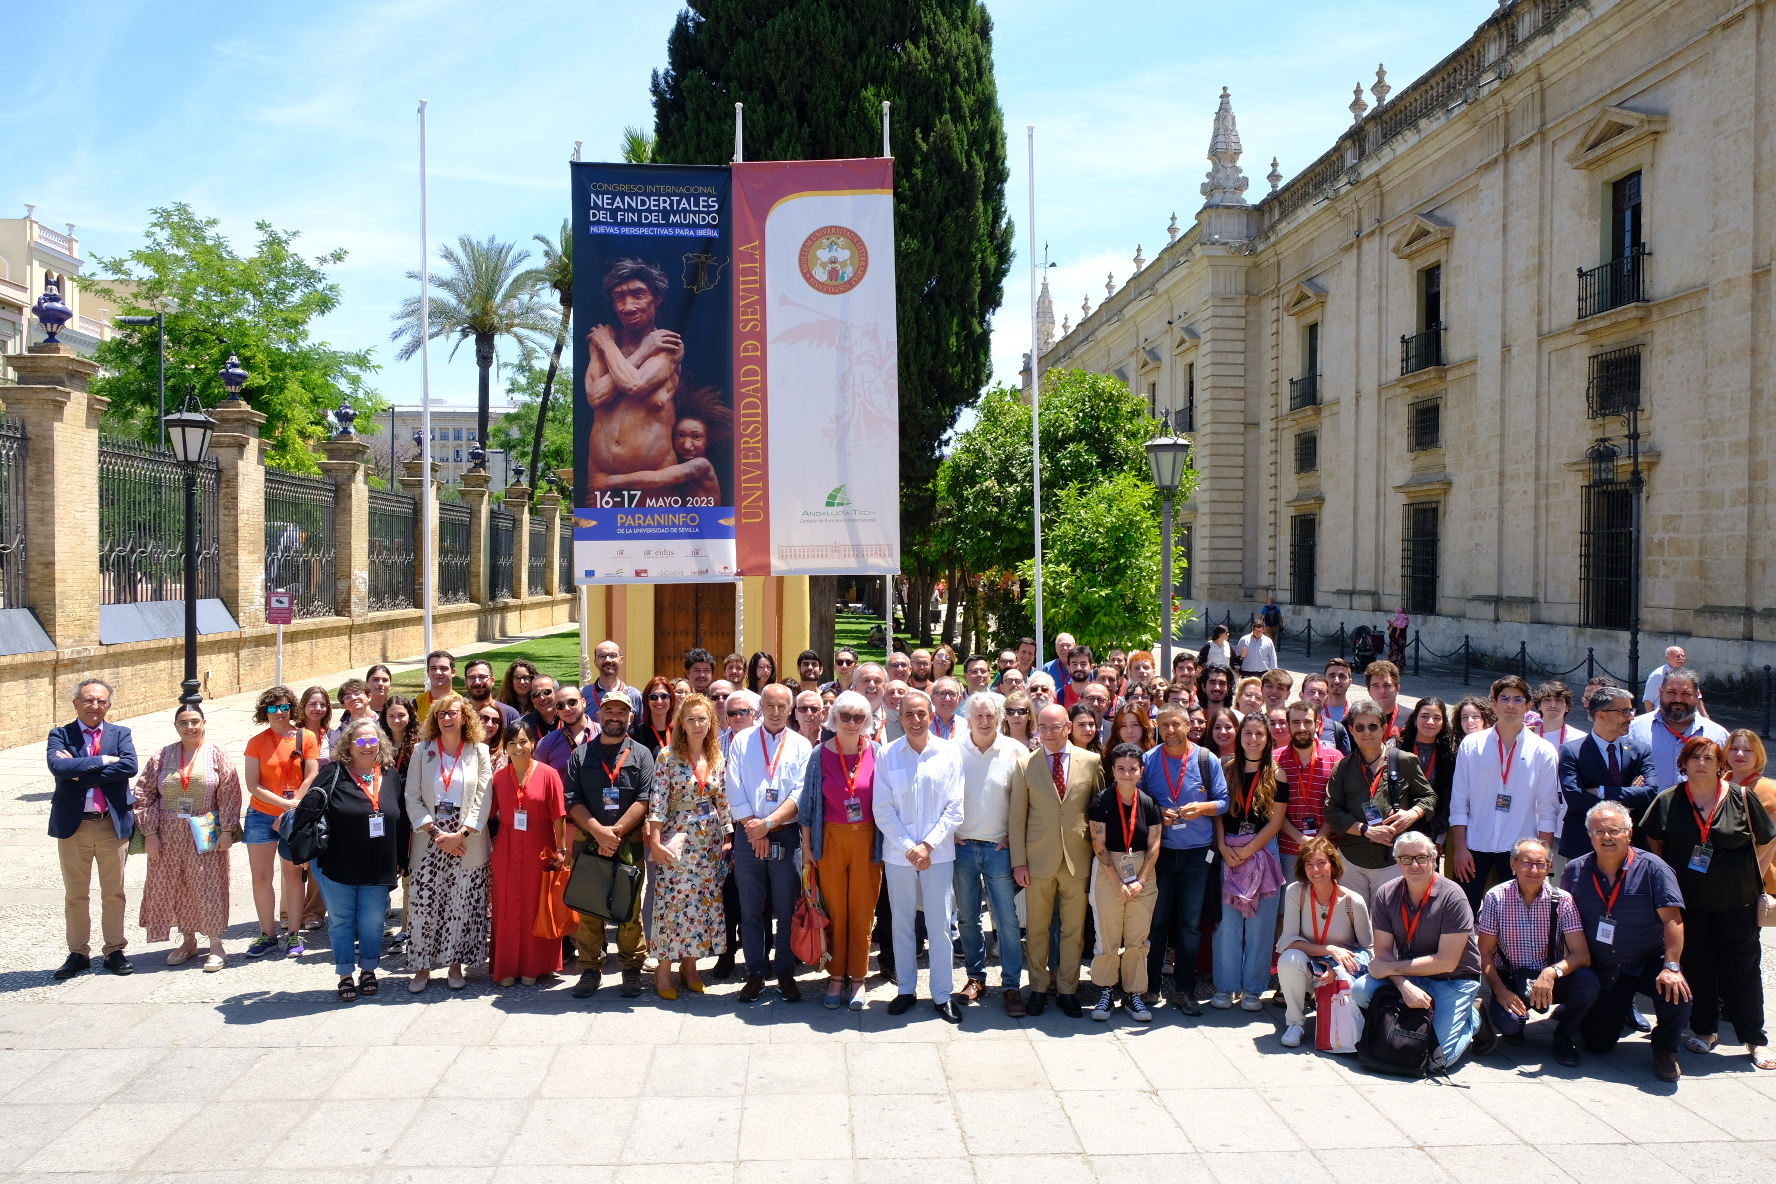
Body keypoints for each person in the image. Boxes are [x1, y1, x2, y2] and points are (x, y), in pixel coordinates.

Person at [1640, 736, 1776, 1069]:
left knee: (1741, 970)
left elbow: (1767, 839)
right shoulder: (1668, 800)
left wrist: (1751, 875)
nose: (1702, 763)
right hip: (1690, 904)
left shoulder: (1741, 797)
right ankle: (1704, 1031)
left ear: (1721, 765)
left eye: (1709, 758)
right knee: (1699, 967)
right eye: (1694, 757)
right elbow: (1654, 841)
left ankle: (1754, 1039)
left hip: (1737, 902)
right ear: (1683, 764)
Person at [1558, 800, 1691, 1082]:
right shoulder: (1575, 871)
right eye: (1598, 831)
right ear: (1589, 835)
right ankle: (1605, 1012)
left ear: (1629, 834)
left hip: (1646, 960)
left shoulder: (1655, 868)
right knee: (1598, 1044)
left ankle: (1665, 1048)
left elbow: (1673, 920)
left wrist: (1672, 966)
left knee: (1678, 994)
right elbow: (1564, 921)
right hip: (1602, 966)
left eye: (1614, 831)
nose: (1606, 837)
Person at [1350, 831, 1485, 1068]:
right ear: (1396, 861)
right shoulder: (1386, 893)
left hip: (1453, 979)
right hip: (1411, 976)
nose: (1414, 865)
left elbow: (1447, 962)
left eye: (1421, 858)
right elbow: (1382, 952)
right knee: (1361, 990)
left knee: (1437, 1061)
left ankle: (1472, 1018)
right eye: (1406, 858)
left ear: (1434, 860)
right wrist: (1404, 985)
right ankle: (1397, 1027)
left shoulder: (1454, 897)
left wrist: (1388, 968)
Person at [876, 690, 967, 1022]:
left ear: (931, 717)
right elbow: (882, 809)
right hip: (900, 856)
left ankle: (942, 993)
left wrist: (927, 845)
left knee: (940, 925)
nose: (916, 720)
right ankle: (906, 989)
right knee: (901, 924)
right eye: (909, 714)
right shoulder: (887, 755)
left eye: (921, 714)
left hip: (938, 854)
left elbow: (955, 808)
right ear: (900, 718)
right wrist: (909, 847)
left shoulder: (948, 753)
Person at [303, 717, 407, 1001]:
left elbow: (401, 819)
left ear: (380, 744)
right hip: (338, 863)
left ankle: (369, 969)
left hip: (378, 864)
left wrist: (401, 858)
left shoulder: (390, 775)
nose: (366, 746)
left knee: (374, 921)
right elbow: (308, 811)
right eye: (360, 740)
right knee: (341, 921)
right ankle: (345, 974)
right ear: (348, 744)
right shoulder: (333, 773)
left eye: (372, 740)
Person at [1011, 703, 1104, 1018]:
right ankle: (1038, 988)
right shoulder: (1025, 765)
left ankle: (1067, 989)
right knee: (1037, 927)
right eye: (1044, 727)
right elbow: (1017, 817)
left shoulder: (1091, 762)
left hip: (1077, 857)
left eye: (1056, 726)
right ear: (1038, 729)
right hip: (1038, 860)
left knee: (1073, 930)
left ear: (1068, 727)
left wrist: (1100, 857)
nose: (1050, 733)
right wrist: (1019, 862)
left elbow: (1099, 811)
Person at [45, 678, 140, 980]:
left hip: (111, 825)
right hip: (75, 827)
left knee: (114, 892)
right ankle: (78, 953)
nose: (94, 706)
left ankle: (114, 950)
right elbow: (58, 768)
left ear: (109, 705)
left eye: (100, 701)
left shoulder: (120, 733)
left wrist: (82, 772)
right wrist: (101, 761)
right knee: (76, 894)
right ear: (75, 703)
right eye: (87, 700)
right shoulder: (60, 735)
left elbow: (129, 767)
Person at [133, 703, 238, 973]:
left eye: (194, 721)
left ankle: (216, 944)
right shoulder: (162, 756)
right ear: (176, 727)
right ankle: (188, 940)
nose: (190, 727)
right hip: (168, 831)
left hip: (204, 828)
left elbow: (230, 792)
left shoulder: (217, 754)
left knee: (208, 885)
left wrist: (227, 831)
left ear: (204, 723)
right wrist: (149, 833)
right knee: (176, 886)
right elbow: (143, 793)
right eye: (184, 723)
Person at [1476, 837, 1598, 1065]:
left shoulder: (1562, 900)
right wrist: (1500, 990)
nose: (1533, 870)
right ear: (1513, 864)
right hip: (1511, 978)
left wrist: (1551, 973)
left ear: (1549, 867)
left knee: (1588, 982)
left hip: (1547, 978)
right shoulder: (1496, 897)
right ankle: (1510, 1023)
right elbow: (1484, 952)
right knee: (1510, 1023)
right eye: (1526, 862)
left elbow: (1581, 955)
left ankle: (1564, 1036)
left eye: (1540, 864)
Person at [1138, 704, 1228, 1015]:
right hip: (1160, 853)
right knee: (1157, 921)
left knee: (1190, 925)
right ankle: (1150, 987)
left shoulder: (1206, 759)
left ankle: (1185, 989)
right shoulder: (1149, 760)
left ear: (1188, 725)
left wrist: (1201, 808)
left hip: (1197, 855)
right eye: (1164, 726)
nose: (1171, 730)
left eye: (1176, 724)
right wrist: (1156, 812)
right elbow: (1139, 800)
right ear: (1158, 728)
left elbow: (1224, 801)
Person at [564, 693, 655, 998]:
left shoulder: (641, 754)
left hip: (627, 843)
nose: (615, 716)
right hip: (589, 842)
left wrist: (613, 834)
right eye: (609, 711)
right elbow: (573, 800)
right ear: (599, 716)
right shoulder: (581, 755)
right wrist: (598, 833)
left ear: (630, 717)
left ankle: (631, 968)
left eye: (621, 711)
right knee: (589, 908)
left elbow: (645, 798)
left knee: (627, 907)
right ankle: (590, 968)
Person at [799, 690, 884, 1010]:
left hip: (866, 841)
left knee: (862, 912)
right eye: (845, 716)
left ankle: (859, 978)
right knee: (834, 911)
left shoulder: (878, 752)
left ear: (867, 721)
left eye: (858, 717)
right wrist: (807, 847)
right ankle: (836, 976)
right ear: (834, 719)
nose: (851, 722)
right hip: (830, 841)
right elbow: (807, 806)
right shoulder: (819, 754)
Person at [726, 684, 812, 1002]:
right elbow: (732, 784)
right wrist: (753, 827)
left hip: (785, 834)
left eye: (782, 706)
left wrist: (769, 824)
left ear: (790, 709)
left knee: (786, 908)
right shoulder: (742, 741)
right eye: (770, 706)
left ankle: (786, 972)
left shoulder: (802, 745)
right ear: (760, 707)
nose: (776, 711)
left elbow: (800, 792)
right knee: (751, 909)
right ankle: (755, 972)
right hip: (749, 835)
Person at [404, 692, 494, 993]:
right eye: (441, 714)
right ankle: (421, 968)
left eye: (452, 713)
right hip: (430, 838)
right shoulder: (422, 750)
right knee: (425, 906)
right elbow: (412, 797)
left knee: (462, 904)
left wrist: (462, 833)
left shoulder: (479, 751)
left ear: (464, 716)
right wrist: (437, 834)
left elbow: (484, 797)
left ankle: (456, 966)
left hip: (467, 840)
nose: (446, 718)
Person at [646, 692, 733, 999]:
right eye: (691, 719)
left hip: (708, 842)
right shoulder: (667, 757)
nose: (697, 725)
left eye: (702, 718)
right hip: (677, 838)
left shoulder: (717, 757)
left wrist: (728, 837)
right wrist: (655, 842)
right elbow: (657, 801)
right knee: (673, 904)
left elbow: (722, 799)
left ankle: (691, 966)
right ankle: (664, 969)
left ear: (711, 722)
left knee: (701, 904)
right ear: (681, 723)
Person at [1448, 676, 1560, 912]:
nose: (1511, 705)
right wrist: (1460, 847)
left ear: (1528, 706)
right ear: (1493, 703)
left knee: (1514, 917)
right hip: (1474, 844)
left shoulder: (1543, 750)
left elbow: (1548, 809)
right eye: (1505, 698)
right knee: (1463, 915)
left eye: (1518, 699)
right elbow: (1459, 802)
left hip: (1520, 849)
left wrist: (1543, 858)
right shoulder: (1471, 744)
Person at [952, 693, 1028, 1015]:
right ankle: (975, 977)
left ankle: (1011, 985)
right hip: (963, 847)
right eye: (979, 716)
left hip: (1000, 848)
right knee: (968, 918)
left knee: (1007, 921)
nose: (985, 721)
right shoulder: (953, 749)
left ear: (999, 718)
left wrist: (1015, 835)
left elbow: (1028, 800)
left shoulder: (1016, 751)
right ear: (968, 718)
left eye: (990, 716)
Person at [1325, 698, 1435, 905]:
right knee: (1354, 922)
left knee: (1386, 923)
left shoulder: (1404, 760)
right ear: (1352, 730)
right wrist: (1365, 830)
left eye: (1373, 726)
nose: (1367, 732)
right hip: (1352, 859)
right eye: (1360, 727)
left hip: (1392, 859)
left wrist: (1414, 813)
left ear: (1383, 727)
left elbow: (1429, 797)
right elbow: (1332, 812)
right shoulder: (1343, 767)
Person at [1213, 714, 1289, 1010]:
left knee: (1261, 924)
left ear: (1268, 739)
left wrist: (1250, 850)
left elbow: (1277, 820)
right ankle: (1225, 987)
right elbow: (1219, 813)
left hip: (1263, 849)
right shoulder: (1226, 768)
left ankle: (1254, 989)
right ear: (1240, 735)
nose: (1253, 739)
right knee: (1228, 923)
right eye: (1248, 732)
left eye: (1259, 734)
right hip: (1229, 848)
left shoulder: (1277, 774)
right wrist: (1222, 846)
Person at [486, 719, 569, 987]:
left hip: (540, 845)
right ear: (505, 747)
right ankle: (508, 966)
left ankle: (535, 965)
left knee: (536, 905)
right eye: (512, 743)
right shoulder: (498, 778)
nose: (518, 747)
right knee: (507, 907)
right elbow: (486, 812)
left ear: (533, 743)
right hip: (507, 848)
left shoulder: (548, 774)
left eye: (523, 742)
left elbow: (559, 815)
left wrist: (562, 849)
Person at [1086, 742, 1164, 1022]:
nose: (1127, 774)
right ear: (1113, 770)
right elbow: (1098, 843)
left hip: (1142, 870)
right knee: (1106, 937)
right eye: (1121, 768)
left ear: (1141, 771)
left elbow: (1154, 845)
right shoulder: (1101, 801)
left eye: (1133, 768)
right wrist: (1117, 881)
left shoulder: (1149, 803)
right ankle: (1106, 991)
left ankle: (1133, 994)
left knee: (1137, 939)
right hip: (1109, 873)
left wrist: (1141, 881)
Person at [241, 686, 321, 959]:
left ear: (292, 709)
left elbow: (311, 775)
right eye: (273, 708)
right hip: (261, 815)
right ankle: (267, 933)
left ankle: (294, 934)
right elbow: (252, 784)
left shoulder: (306, 736)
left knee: (293, 876)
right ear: (265, 712)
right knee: (261, 878)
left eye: (284, 707)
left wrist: (293, 806)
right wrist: (282, 805)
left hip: (294, 815)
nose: (279, 712)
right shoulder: (257, 742)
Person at [1275, 837, 1374, 1047]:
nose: (1315, 870)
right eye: (1309, 864)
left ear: (1333, 864)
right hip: (1309, 966)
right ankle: (1295, 1022)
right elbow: (1288, 941)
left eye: (1321, 863)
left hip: (1343, 970)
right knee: (1289, 959)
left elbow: (1369, 950)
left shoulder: (1352, 901)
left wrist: (1335, 967)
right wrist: (1327, 950)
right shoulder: (1296, 892)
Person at [1555, 684, 1655, 865]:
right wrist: (1629, 798)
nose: (1631, 717)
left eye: (1631, 710)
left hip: (1630, 845)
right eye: (1624, 711)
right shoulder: (1572, 751)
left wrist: (1602, 791)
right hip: (1584, 845)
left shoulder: (1640, 751)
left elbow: (1649, 793)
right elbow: (1576, 799)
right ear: (1601, 715)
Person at [1629, 667, 1728, 790]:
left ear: (1697, 695)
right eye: (1671, 692)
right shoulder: (1634, 730)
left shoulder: (1718, 735)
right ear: (1660, 691)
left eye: (1686, 694)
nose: (1678, 699)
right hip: (1648, 808)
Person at [1277, 700, 1340, 881]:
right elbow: (1273, 811)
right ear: (1288, 725)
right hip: (1288, 850)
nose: (1302, 727)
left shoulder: (1335, 759)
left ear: (1318, 723)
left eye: (1307, 722)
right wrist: (1301, 839)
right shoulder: (1274, 760)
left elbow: (1338, 805)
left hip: (1327, 850)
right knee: (1289, 907)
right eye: (1295, 722)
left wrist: (1319, 839)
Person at [1726, 729, 1776, 901]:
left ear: (1758, 756)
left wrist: (1750, 880)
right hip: (1720, 875)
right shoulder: (1718, 782)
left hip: (1752, 880)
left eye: (1748, 750)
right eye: (1734, 749)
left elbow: (1769, 842)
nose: (1740, 754)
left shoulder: (1766, 790)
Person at [1403, 697, 1457, 844]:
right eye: (1424, 716)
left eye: (1436, 718)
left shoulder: (1449, 755)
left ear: (1443, 722)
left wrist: (1439, 832)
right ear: (1415, 719)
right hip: (1401, 827)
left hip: (1432, 830)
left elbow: (1448, 797)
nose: (1430, 722)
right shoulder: (1398, 749)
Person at [536, 684, 592, 781]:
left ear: (583, 702)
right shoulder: (546, 743)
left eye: (572, 702)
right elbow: (538, 780)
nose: (566, 708)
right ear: (557, 710)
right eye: (560, 705)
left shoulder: (604, 734)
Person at [1298, 674, 1352, 753]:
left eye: (1321, 693)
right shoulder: (1288, 725)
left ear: (1327, 698)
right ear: (1301, 695)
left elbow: (1345, 763)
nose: (1316, 696)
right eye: (1311, 692)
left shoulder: (1337, 729)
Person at [463, 659, 519, 730]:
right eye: (471, 678)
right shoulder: (458, 713)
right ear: (466, 682)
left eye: (482, 677)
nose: (477, 682)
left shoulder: (510, 715)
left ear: (492, 681)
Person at [1532, 681, 1585, 749]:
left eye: (1559, 700)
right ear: (1539, 706)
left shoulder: (1579, 739)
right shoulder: (1527, 737)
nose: (1553, 705)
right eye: (1547, 700)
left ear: (1567, 707)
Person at [631, 676, 676, 757]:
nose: (659, 701)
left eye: (664, 696)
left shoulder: (681, 733)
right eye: (653, 697)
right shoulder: (635, 734)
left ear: (671, 699)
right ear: (647, 701)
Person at [1362, 661, 1407, 741]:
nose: (1382, 691)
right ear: (1369, 691)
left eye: (1387, 685)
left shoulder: (1412, 718)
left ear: (1397, 688)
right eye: (1376, 686)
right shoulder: (1357, 718)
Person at [1642, 645, 1688, 714]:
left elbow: (1697, 699)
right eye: (1678, 656)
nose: (1681, 658)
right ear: (1668, 658)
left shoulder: (1687, 675)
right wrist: (1651, 721)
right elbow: (1648, 701)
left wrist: (1705, 716)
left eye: (1683, 656)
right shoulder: (1658, 675)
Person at [416, 649, 456, 723]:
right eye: (433, 668)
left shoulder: (462, 703)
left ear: (453, 672)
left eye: (443, 668)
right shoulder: (416, 703)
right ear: (428, 672)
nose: (438, 672)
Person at [382, 695, 419, 774]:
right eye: (391, 716)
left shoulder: (420, 744)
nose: (396, 720)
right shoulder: (379, 744)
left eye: (401, 715)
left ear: (410, 716)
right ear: (385, 717)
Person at [299, 686, 334, 764]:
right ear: (303, 705)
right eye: (313, 704)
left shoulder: (331, 735)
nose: (318, 708)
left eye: (322, 704)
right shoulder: (293, 734)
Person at [929, 676, 965, 741]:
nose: (947, 699)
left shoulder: (966, 726)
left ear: (959, 699)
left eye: (952, 694)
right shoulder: (924, 725)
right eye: (942, 694)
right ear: (932, 699)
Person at [479, 703, 510, 772]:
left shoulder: (501, 754)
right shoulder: (464, 745)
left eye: (495, 721)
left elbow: (498, 781)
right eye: (485, 718)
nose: (490, 724)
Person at [1322, 658, 1353, 723]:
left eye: (1342, 676)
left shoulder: (1355, 713)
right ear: (1324, 680)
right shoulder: (1313, 712)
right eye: (1332, 676)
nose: (1336, 681)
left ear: (1350, 682)